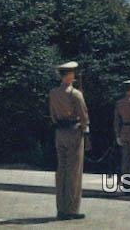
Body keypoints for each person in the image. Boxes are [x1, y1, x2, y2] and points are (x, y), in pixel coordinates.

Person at [49, 61, 91, 220]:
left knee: (61, 171)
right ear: (69, 75)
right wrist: (86, 134)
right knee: (74, 172)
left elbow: (52, 114)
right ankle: (71, 209)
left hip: (59, 132)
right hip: (74, 132)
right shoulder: (76, 94)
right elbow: (84, 116)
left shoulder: (53, 92)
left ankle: (61, 208)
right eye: (72, 73)